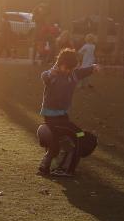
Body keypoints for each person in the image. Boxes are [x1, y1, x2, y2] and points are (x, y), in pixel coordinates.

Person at [37, 48, 99, 178]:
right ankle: (66, 170)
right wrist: (53, 71)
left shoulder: (73, 74)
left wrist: (93, 67)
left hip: (63, 118)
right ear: (60, 64)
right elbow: (44, 76)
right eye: (65, 68)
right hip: (52, 119)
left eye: (70, 69)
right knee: (79, 135)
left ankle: (49, 165)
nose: (68, 71)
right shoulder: (52, 75)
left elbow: (82, 72)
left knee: (74, 137)